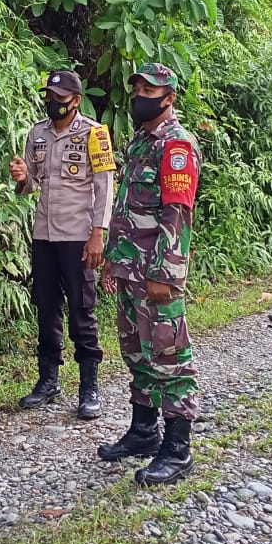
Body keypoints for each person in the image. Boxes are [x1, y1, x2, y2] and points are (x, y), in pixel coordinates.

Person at [98, 63, 202, 485]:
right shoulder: (140, 142)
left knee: (169, 355)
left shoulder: (176, 145)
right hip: (130, 267)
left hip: (157, 271)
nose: (140, 93)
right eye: (137, 86)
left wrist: (165, 272)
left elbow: (177, 214)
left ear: (169, 97)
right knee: (136, 352)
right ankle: (143, 431)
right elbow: (126, 209)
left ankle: (177, 449)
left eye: (149, 88)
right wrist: (112, 259)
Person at [9, 69, 115, 418]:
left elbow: (104, 187)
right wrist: (23, 179)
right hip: (44, 235)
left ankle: (89, 388)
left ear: (76, 101)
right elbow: (32, 185)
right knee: (46, 307)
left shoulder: (95, 134)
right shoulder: (37, 134)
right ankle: (48, 381)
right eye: (49, 98)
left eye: (59, 99)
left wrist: (98, 233)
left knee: (82, 311)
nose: (52, 104)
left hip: (78, 236)